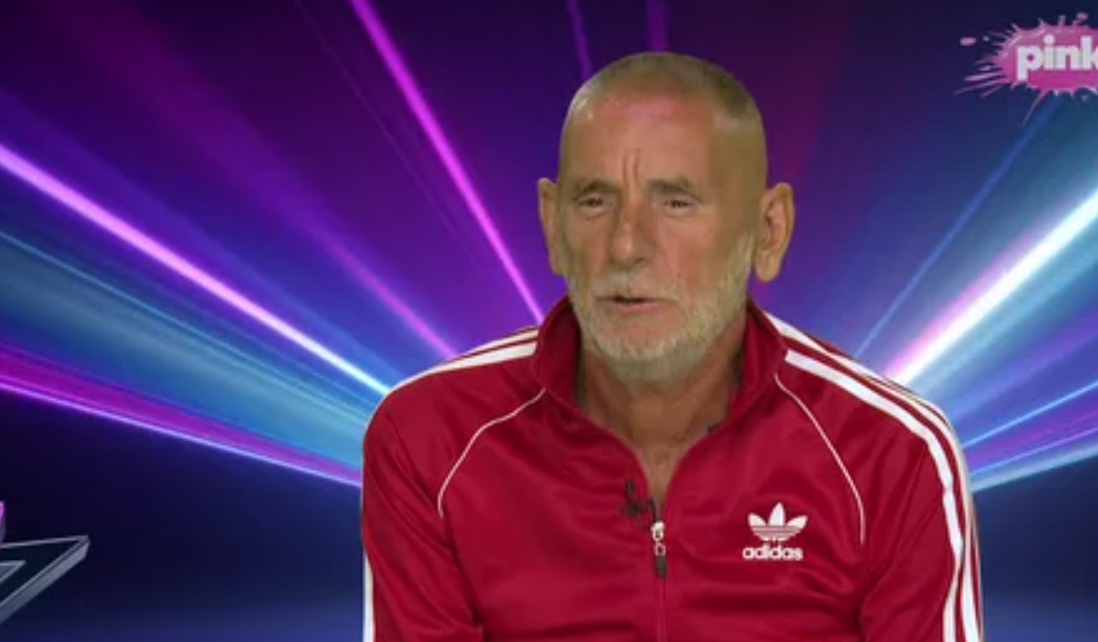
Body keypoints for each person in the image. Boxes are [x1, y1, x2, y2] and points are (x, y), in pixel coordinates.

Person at [360, 51, 984, 642]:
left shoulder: (892, 454)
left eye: (677, 203)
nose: (627, 245)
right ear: (552, 225)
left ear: (769, 231)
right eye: (595, 200)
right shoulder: (430, 438)